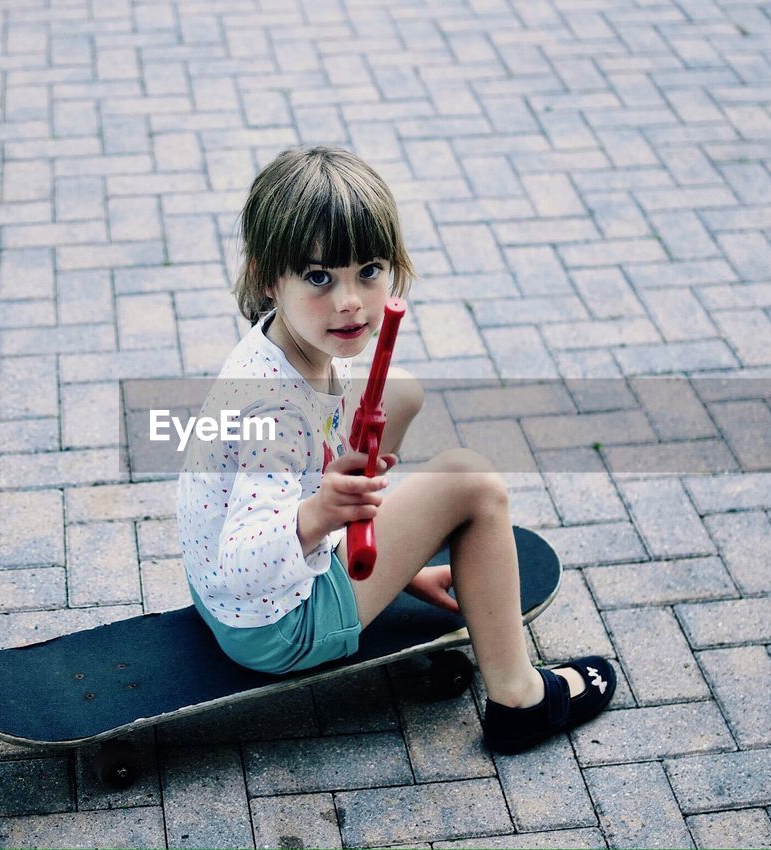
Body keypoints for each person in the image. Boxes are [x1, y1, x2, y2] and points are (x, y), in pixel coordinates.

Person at [176, 146, 615, 753]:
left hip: (229, 593)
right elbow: (240, 564)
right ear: (265, 277)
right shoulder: (272, 411)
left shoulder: (283, 344)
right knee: (473, 483)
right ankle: (521, 700)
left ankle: (370, 552)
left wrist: (396, 569)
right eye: (319, 276)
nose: (350, 300)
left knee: (400, 392)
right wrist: (321, 515)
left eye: (369, 270)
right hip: (274, 623)